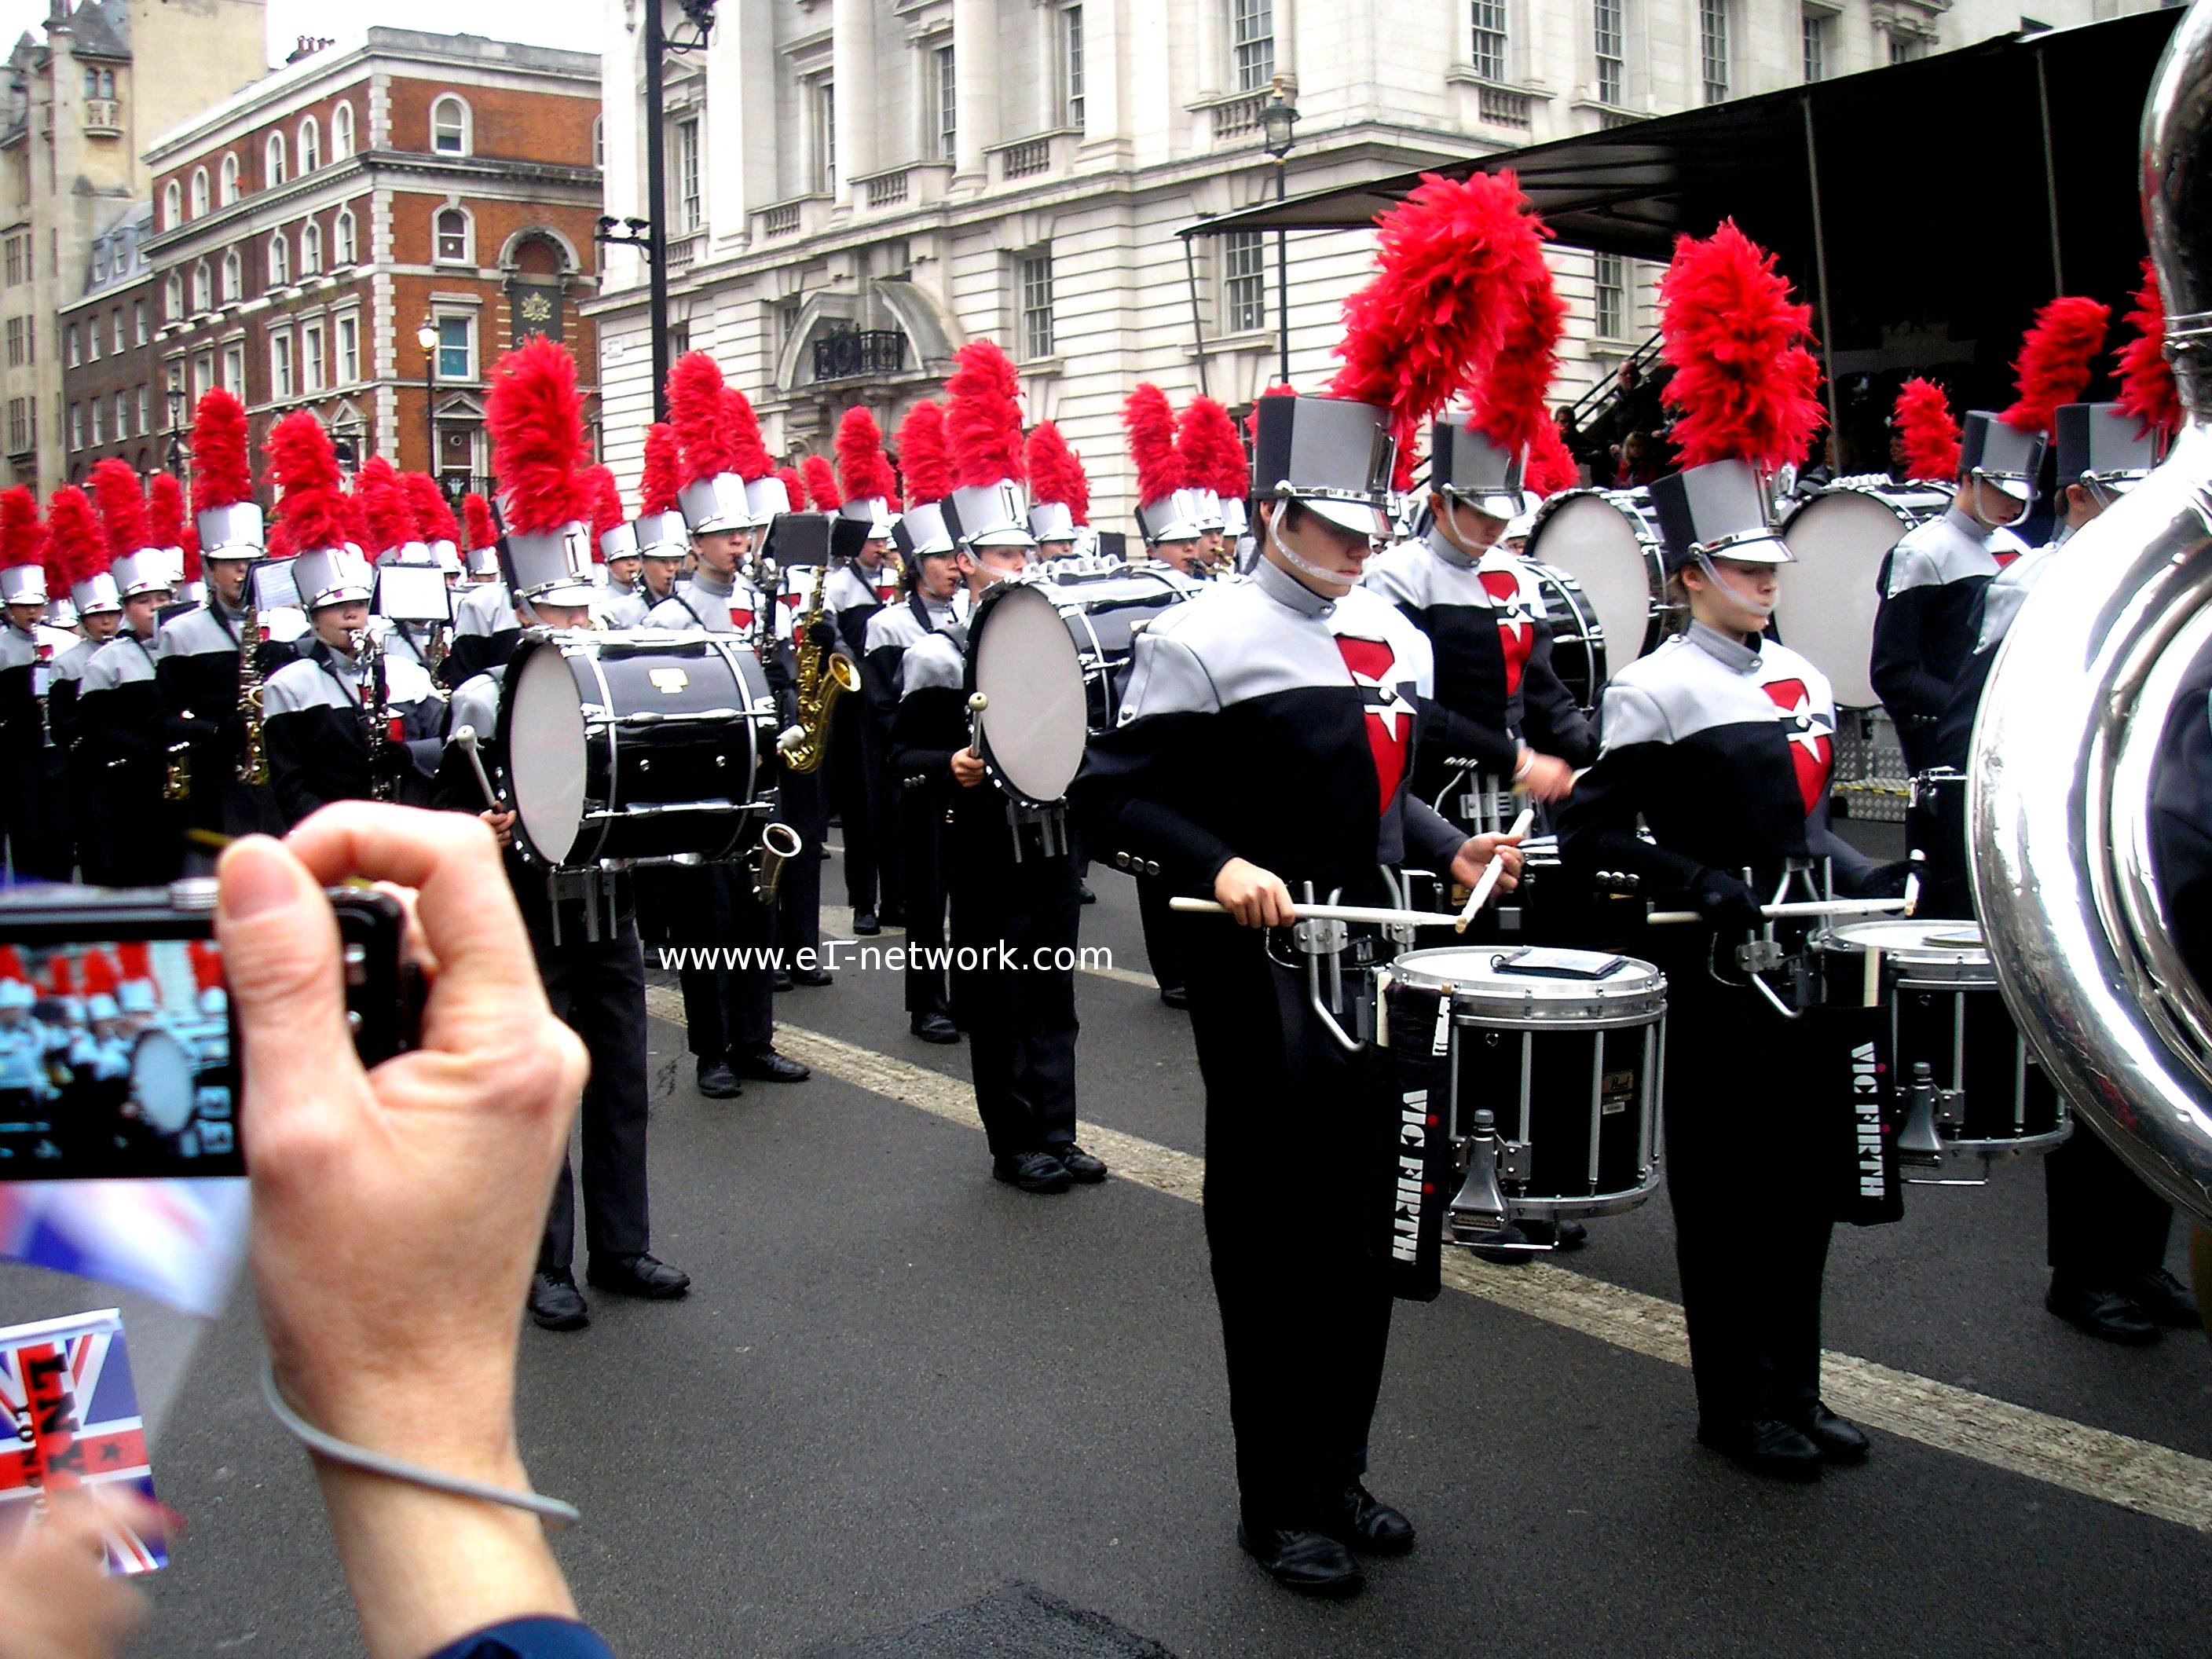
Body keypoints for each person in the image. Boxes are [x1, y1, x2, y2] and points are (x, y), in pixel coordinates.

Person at [1075, 391, 1522, 1597]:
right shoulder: (1199, 637)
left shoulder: (1393, 633)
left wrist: (1449, 847)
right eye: (1334, 529)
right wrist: (1218, 864)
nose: (1358, 550)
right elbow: (1108, 799)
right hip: (1261, 981)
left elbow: (1377, 795)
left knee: (1366, 1229)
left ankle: (1340, 1472)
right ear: (1274, 514)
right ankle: (1277, 1505)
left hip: (1375, 973)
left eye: (1370, 530)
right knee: (1275, 1243)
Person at [1559, 458, 1878, 1484]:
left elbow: (1807, 828)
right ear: (1691, 574)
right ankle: (1736, 1406)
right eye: (1743, 567)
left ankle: (1798, 1390)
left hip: (1805, 964)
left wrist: (1866, 874)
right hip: (1714, 974)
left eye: (1770, 565)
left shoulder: (1805, 677)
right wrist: (1696, 878)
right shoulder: (1652, 687)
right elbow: (1590, 837)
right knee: (1730, 1197)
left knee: (1804, 1188)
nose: (1765, 581)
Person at [1926, 402, 2196, 1344]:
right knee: (2101, 1067)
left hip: (2151, 844)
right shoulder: (2035, 583)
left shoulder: (2170, 581)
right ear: (2078, 496)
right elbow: (1973, 728)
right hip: (2071, 854)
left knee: (2169, 1058)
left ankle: (2139, 1256)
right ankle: (2083, 1272)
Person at [899, 350, 1101, 1193]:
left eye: (1025, 551)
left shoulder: (1058, 638)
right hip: (984, 844)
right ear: (966, 559)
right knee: (999, 997)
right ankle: (1013, 1140)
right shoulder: (936, 652)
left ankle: (1058, 1128)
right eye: (1000, 553)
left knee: (1053, 995)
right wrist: (946, 764)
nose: (1018, 566)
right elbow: (900, 758)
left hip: (1052, 840)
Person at [641, 350, 809, 1097]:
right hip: (702, 781)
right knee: (704, 920)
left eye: (745, 533)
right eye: (727, 535)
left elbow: (785, 681)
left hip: (761, 776)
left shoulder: (764, 603)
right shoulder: (669, 616)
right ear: (696, 543)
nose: (741, 544)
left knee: (756, 909)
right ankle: (710, 1050)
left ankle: (755, 1039)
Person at [1869, 408, 2039, 774]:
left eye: (2020, 496)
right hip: (1946, 742)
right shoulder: (1921, 553)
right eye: (2002, 491)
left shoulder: (2019, 549)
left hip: (2012, 734)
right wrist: (1970, 709)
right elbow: (1894, 673)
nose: (2014, 505)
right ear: (1969, 480)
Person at [156, 397, 293, 844]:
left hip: (278, 778)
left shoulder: (289, 625)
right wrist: (216, 731)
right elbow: (164, 718)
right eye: (230, 563)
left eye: (248, 562)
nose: (241, 571)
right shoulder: (181, 632)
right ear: (209, 568)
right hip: (216, 780)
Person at [866, 504, 965, 1043]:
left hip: (977, 771)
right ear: (915, 565)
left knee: (975, 894)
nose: (953, 567)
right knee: (927, 899)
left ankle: (970, 994)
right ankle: (927, 1004)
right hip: (925, 772)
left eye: (957, 556)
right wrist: (934, 757)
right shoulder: (889, 625)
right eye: (941, 558)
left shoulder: (976, 612)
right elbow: (884, 715)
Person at [259, 541, 446, 827]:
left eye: (359, 604)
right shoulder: (288, 687)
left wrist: (410, 755)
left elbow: (445, 741)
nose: (351, 614)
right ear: (313, 619)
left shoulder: (409, 673)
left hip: (413, 826)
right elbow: (291, 786)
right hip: (335, 834)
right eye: (336, 606)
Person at [76, 462, 182, 888]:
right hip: (131, 781)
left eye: (162, 599)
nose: (155, 609)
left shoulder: (186, 648)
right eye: (144, 601)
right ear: (125, 609)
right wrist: (149, 748)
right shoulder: (108, 661)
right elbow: (95, 727)